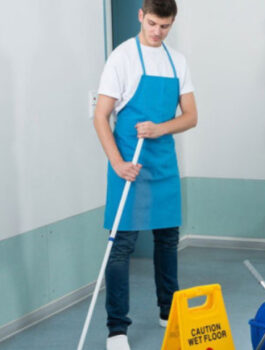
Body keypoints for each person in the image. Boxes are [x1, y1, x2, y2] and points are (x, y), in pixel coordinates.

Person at [93, 0, 197, 348]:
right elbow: (100, 116)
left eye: (165, 26)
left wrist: (160, 128)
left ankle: (169, 310)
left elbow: (191, 116)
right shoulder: (121, 57)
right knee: (121, 246)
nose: (157, 32)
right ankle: (117, 328)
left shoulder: (177, 61)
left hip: (163, 163)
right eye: (152, 23)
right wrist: (117, 163)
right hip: (128, 165)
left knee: (168, 240)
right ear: (141, 16)